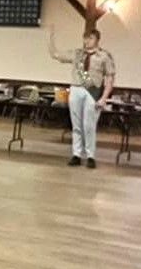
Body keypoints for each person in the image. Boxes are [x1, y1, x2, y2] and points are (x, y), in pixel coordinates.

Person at [49, 26, 115, 168]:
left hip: (93, 92)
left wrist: (104, 97)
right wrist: (51, 37)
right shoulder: (77, 54)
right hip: (76, 88)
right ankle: (76, 154)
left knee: (89, 125)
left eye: (90, 38)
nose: (87, 41)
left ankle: (90, 155)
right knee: (76, 125)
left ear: (97, 40)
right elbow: (55, 54)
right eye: (85, 38)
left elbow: (109, 79)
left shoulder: (104, 56)